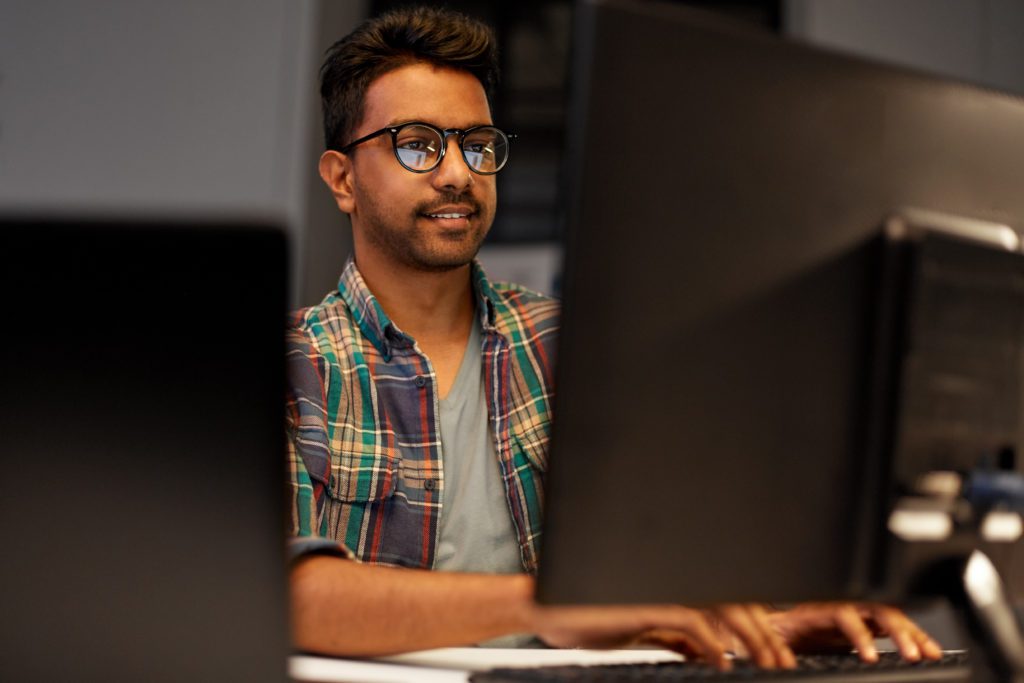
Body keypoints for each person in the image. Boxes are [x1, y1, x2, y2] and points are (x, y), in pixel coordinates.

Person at [284, 5, 942, 671]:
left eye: (477, 144)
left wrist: (767, 622)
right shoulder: (291, 365)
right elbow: (288, 589)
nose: (457, 172)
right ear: (342, 179)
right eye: (418, 143)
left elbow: (658, 579)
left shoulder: (576, 350)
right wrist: (546, 601)